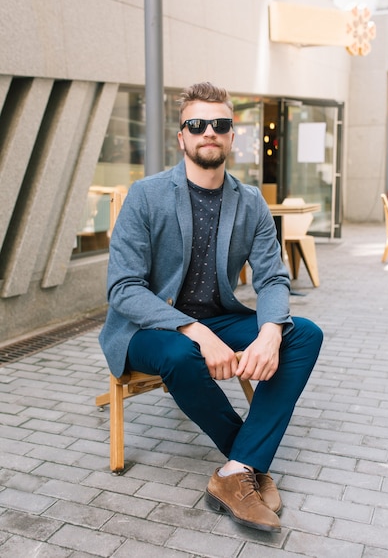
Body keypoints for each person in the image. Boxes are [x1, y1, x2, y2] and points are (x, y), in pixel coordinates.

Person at [99, 81, 323, 533]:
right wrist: (196, 332)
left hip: (218, 314)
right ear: (181, 136)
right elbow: (123, 288)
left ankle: (235, 470)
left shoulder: (251, 201)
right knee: (182, 354)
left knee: (305, 334)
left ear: (231, 136)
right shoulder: (146, 195)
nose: (208, 132)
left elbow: (273, 277)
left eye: (219, 124)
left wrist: (269, 333)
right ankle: (249, 461)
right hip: (148, 327)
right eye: (196, 124)